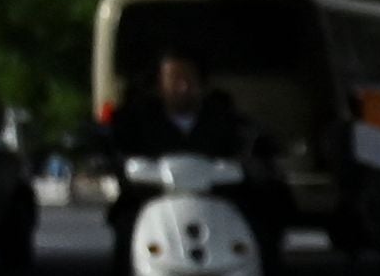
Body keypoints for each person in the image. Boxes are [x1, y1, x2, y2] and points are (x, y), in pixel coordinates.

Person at [105, 44, 272, 251]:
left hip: (219, 209)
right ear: (159, 84)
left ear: (202, 83)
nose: (183, 87)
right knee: (127, 228)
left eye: (189, 79)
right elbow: (119, 154)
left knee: (261, 228)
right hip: (152, 207)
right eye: (174, 79)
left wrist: (249, 168)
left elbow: (251, 152)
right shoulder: (137, 123)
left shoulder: (227, 122)